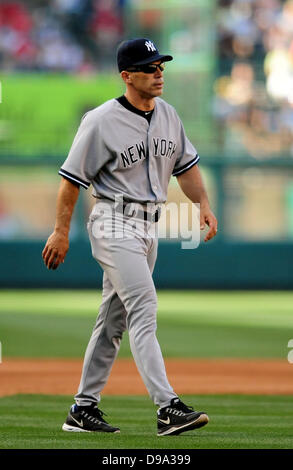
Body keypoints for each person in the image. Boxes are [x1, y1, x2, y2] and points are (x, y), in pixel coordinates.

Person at [42, 38, 218, 437]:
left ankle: (81, 410)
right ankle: (167, 406)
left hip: (147, 226)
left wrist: (203, 204)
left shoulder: (169, 115)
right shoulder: (100, 120)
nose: (159, 73)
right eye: (150, 67)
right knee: (144, 306)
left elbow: (185, 168)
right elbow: (71, 181)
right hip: (112, 220)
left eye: (161, 66)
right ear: (127, 76)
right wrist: (60, 231)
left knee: (113, 321)